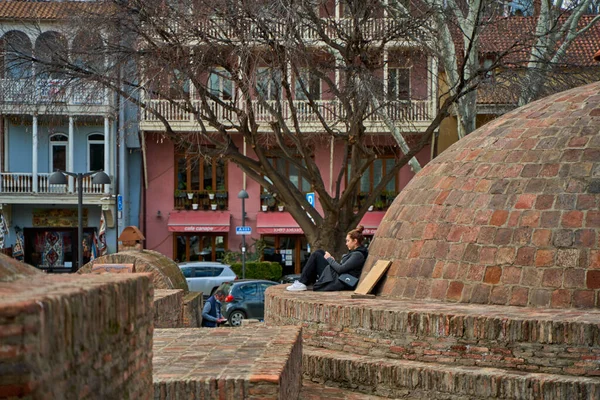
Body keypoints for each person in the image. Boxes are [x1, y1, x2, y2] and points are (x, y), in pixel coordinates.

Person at [286, 225, 368, 292]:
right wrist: (332, 260)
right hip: (338, 277)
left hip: (340, 281)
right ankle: (308, 282)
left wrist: (330, 259)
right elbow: (343, 268)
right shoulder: (355, 253)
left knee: (316, 255)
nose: (346, 244)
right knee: (320, 252)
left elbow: (340, 269)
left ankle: (302, 282)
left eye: (348, 241)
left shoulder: (358, 255)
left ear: (355, 241)